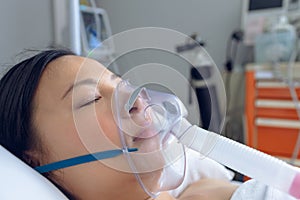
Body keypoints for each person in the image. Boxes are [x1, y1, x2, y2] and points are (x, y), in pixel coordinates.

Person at [0, 49, 240, 199]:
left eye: (121, 85)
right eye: (90, 98)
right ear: (35, 161)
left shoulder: (203, 190)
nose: (136, 101)